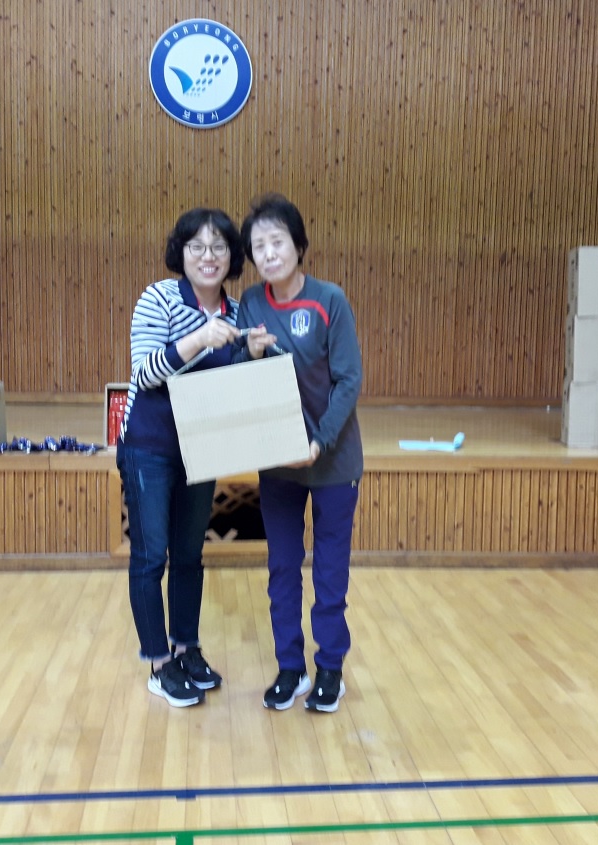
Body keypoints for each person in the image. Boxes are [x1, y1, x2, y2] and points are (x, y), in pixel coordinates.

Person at [234, 193, 364, 713]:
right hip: (278, 464)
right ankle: (291, 667)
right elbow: (244, 378)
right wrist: (249, 353)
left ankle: (330, 667)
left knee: (330, 571)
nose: (269, 253)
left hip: (333, 461)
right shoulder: (250, 302)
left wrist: (319, 441)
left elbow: (349, 380)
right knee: (283, 569)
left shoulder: (330, 300)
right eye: (258, 246)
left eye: (277, 241)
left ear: (298, 244)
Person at [116, 207, 244, 707]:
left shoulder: (237, 313)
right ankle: (158, 662)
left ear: (232, 256)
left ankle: (186, 649)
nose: (208, 256)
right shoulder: (159, 298)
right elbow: (146, 373)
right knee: (151, 557)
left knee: (190, 555)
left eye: (219, 247)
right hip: (148, 446)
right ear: (181, 252)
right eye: (197, 246)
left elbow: (233, 388)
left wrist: (251, 353)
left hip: (201, 447)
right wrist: (198, 339)